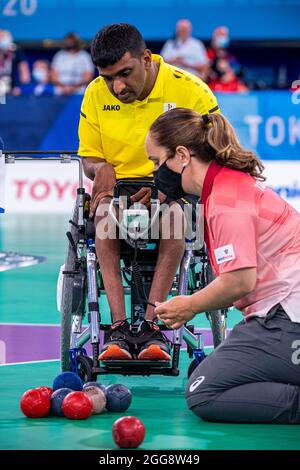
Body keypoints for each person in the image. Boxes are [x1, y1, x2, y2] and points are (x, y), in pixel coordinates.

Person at [146, 108, 300, 424]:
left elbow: (239, 281)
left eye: (155, 161)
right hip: (281, 310)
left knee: (203, 392)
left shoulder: (226, 200)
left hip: (287, 317)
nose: (155, 172)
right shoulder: (230, 185)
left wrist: (188, 305)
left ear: (181, 155)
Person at [78, 23, 219, 362]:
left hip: (176, 193)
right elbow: (89, 158)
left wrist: (167, 184)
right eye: (109, 77)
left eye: (124, 73)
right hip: (120, 195)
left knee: (173, 217)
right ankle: (119, 329)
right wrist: (102, 170)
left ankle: (153, 328)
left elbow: (214, 154)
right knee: (102, 216)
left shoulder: (192, 92)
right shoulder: (97, 93)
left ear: (146, 58)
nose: (117, 86)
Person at [0, 29, 30, 95]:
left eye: (3, 37)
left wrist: (20, 88)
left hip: (12, 89)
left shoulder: (17, 51)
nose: (1, 39)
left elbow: (25, 74)